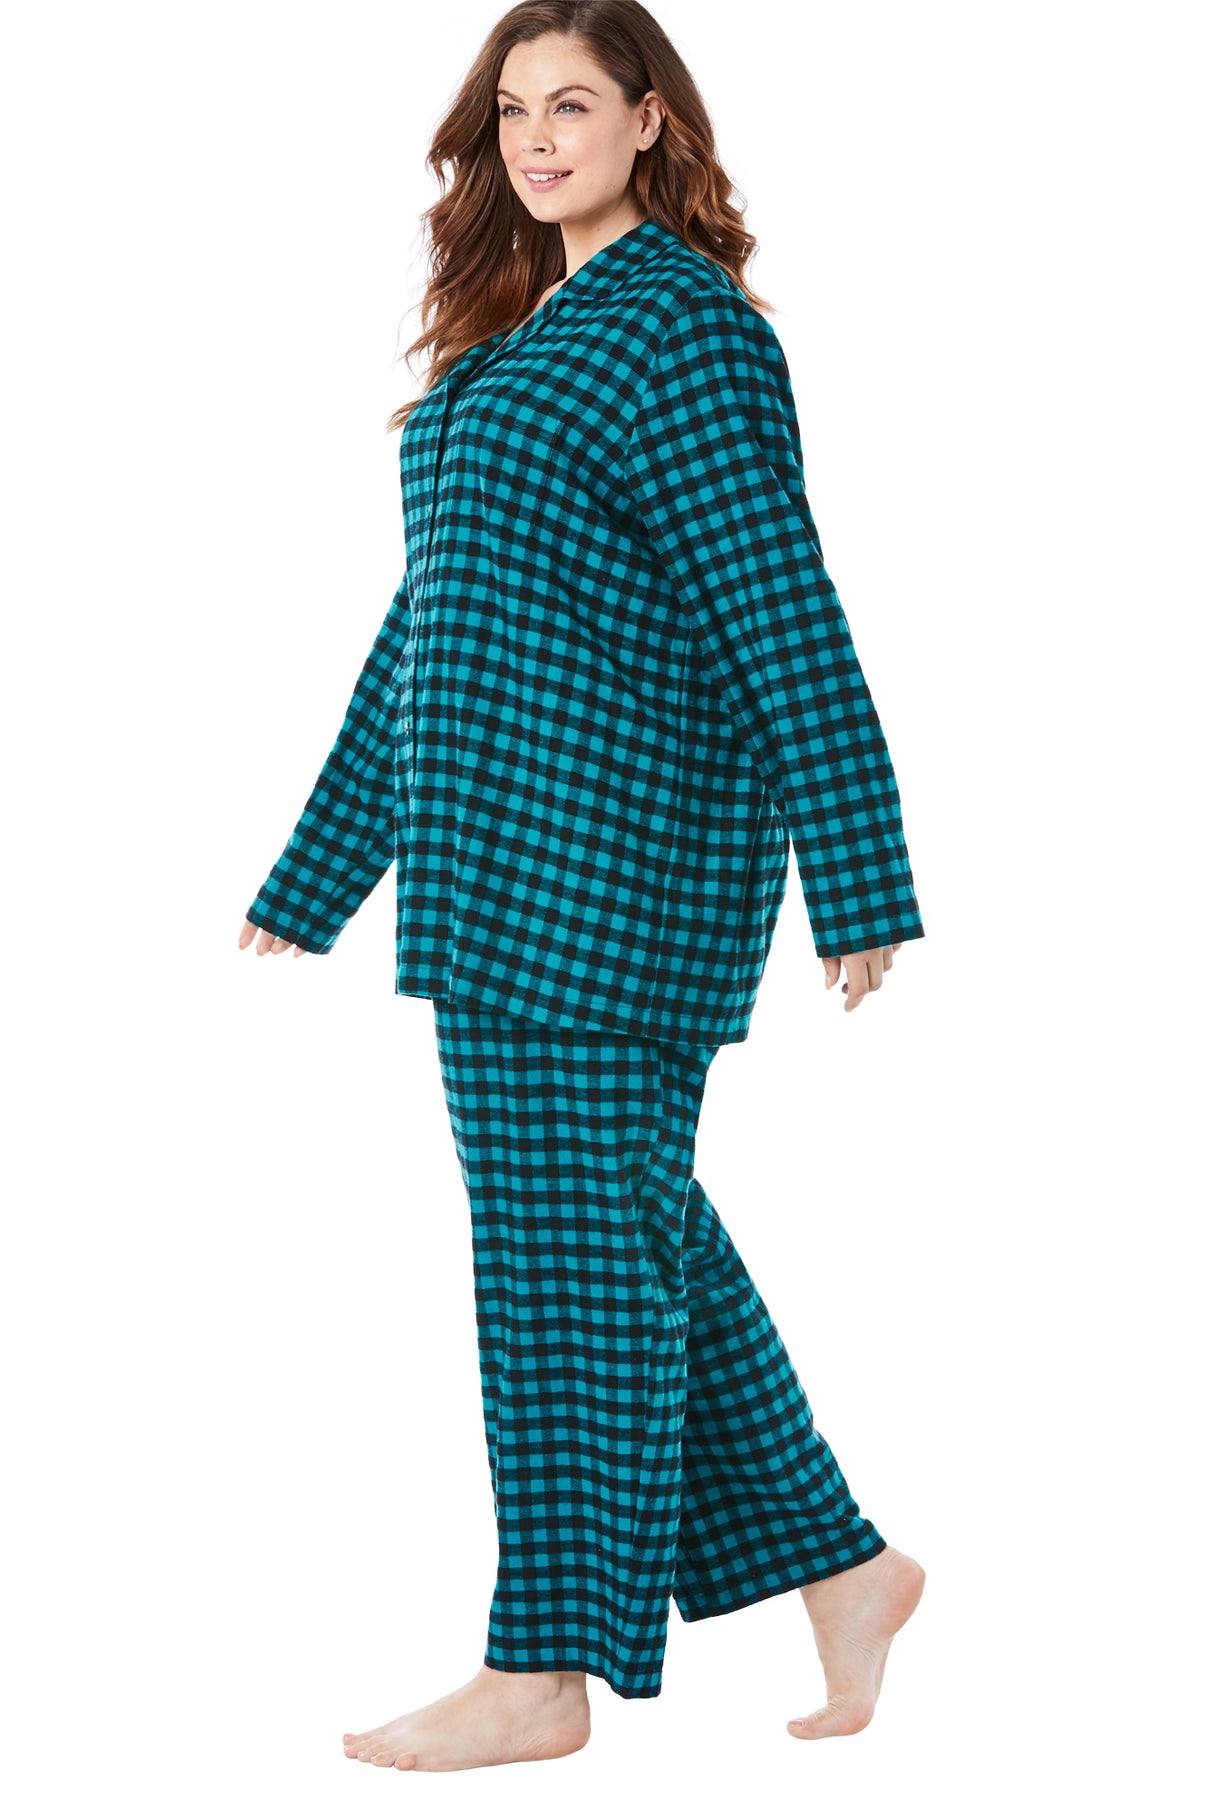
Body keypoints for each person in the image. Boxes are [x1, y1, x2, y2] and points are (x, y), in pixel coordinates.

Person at [239, 1, 927, 1774]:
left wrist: (859, 875)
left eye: (573, 104)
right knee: (622, 1229)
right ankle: (847, 1568)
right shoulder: (519, 335)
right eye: (513, 110)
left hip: (614, 873)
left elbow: (781, 605)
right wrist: (320, 870)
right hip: (495, 876)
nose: (537, 137)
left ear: (647, 123)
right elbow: (434, 629)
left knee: (565, 1264)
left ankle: (544, 1673)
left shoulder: (683, 330)